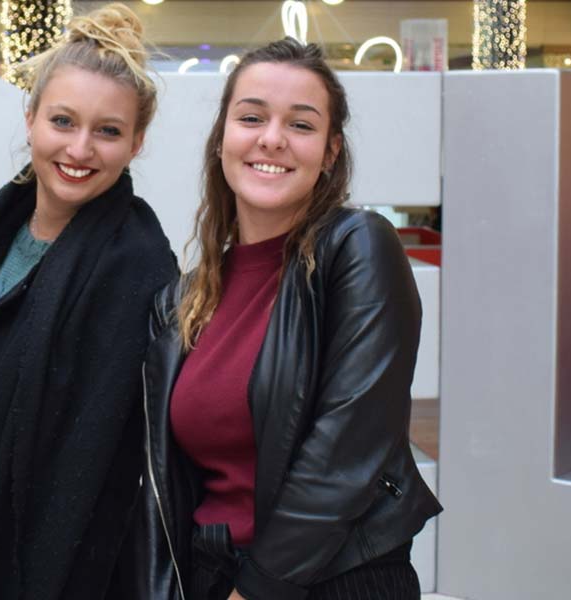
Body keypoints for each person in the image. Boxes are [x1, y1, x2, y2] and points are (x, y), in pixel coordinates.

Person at [137, 38, 442, 600]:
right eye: (251, 117)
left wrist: (253, 591)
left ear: (330, 151)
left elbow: (346, 454)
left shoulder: (357, 248)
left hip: (333, 580)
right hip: (210, 574)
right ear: (223, 139)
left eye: (301, 125)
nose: (271, 138)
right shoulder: (188, 297)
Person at [0, 5, 177, 599]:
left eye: (107, 130)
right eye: (63, 121)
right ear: (30, 119)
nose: (80, 149)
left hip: (30, 564)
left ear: (136, 142)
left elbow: (96, 469)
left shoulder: (137, 266)